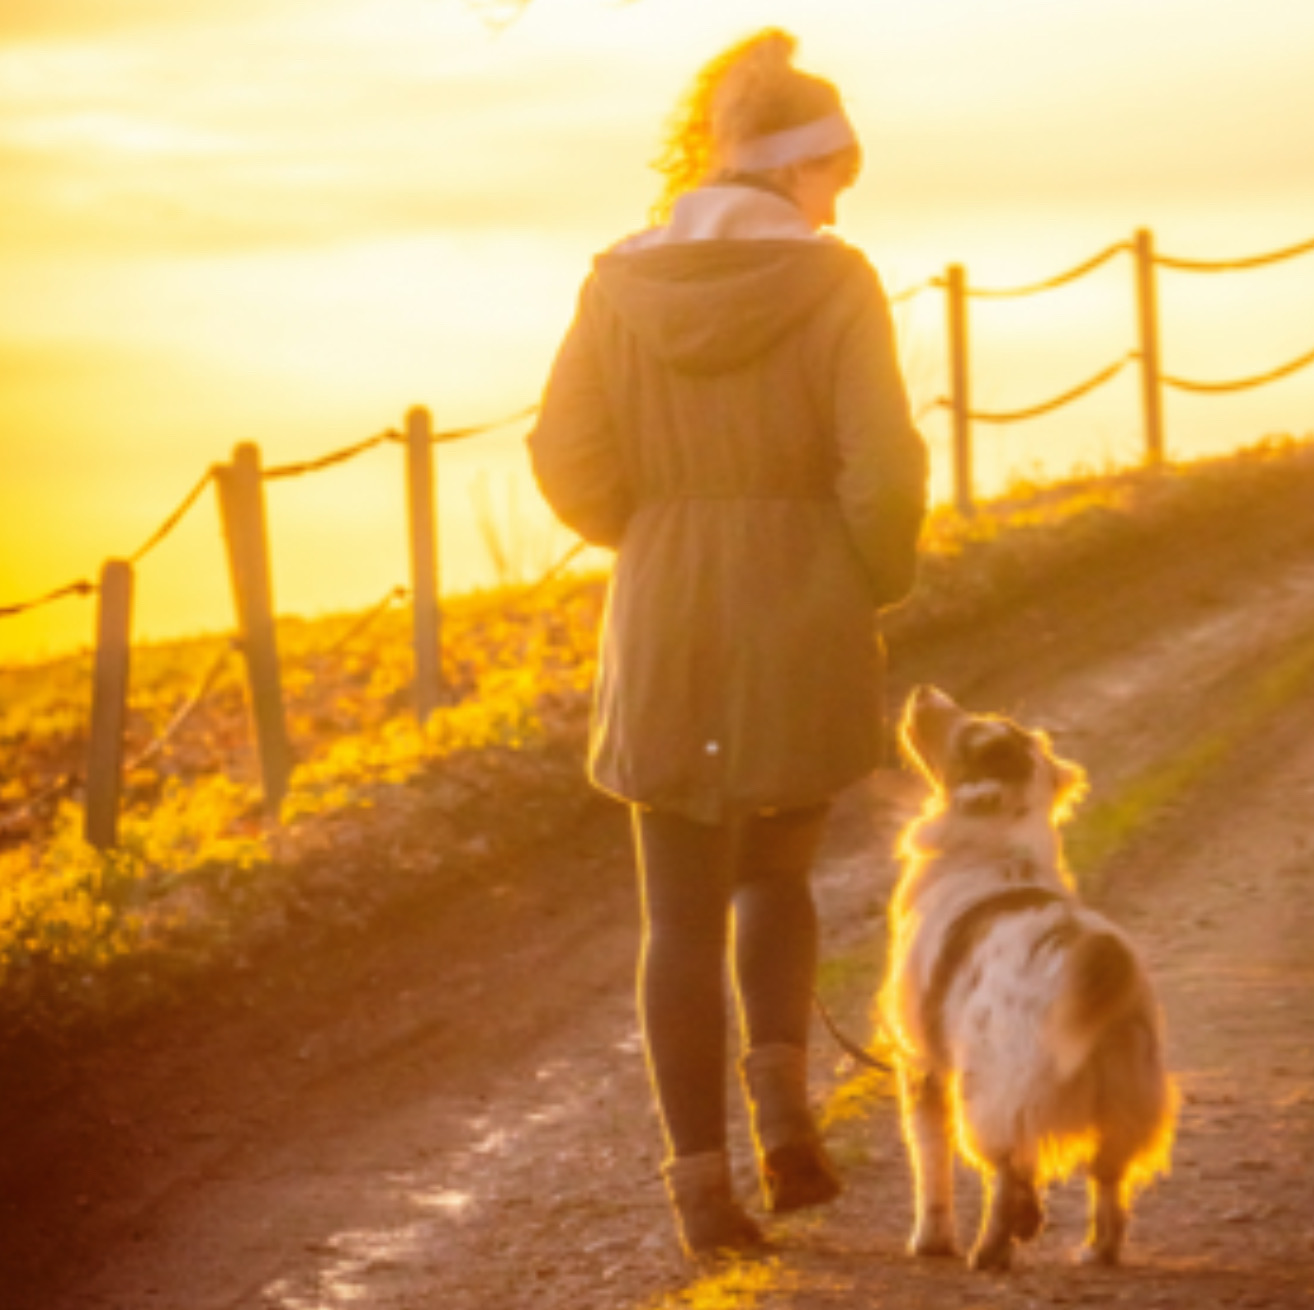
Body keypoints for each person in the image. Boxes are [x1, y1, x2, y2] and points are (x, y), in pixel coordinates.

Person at [526, 29, 929, 1260]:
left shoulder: (614, 281)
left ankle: (701, 1186)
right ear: (802, 170)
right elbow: (884, 467)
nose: (835, 207)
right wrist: (863, 579)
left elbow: (564, 456)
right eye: (834, 182)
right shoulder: (836, 279)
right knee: (775, 876)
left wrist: (653, 533)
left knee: (678, 914)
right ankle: (784, 1123)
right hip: (798, 603)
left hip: (663, 606)